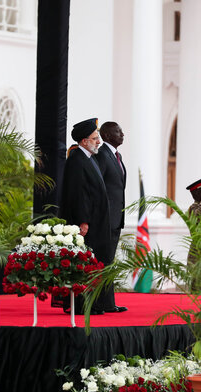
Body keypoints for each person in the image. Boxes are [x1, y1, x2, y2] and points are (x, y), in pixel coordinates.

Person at [59, 118, 111, 315]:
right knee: (83, 264)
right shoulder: (76, 161)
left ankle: (93, 304)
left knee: (93, 263)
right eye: (95, 138)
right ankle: (80, 305)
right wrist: (83, 220)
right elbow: (78, 194)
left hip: (96, 222)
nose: (98, 141)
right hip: (86, 224)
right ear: (83, 141)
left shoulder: (88, 158)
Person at [94, 121, 128, 313]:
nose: (122, 134)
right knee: (103, 261)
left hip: (116, 218)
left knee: (109, 262)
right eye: (118, 131)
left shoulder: (117, 156)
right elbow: (99, 189)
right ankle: (100, 303)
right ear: (106, 135)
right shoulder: (102, 155)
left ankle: (108, 302)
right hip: (105, 219)